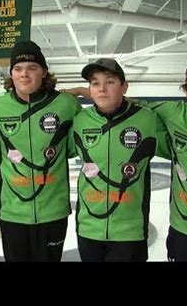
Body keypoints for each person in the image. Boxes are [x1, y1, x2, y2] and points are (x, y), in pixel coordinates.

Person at [65, 59, 187, 262]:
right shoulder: (172, 113)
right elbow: (123, 101)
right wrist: (84, 91)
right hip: (182, 233)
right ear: (186, 90)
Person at [0, 40, 82, 261]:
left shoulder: (66, 105)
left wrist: (82, 90)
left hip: (53, 212)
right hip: (12, 212)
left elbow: (72, 148)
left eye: (32, 68)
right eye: (17, 69)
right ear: (11, 74)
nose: (24, 75)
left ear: (44, 72)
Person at [71, 58, 169, 261]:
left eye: (110, 82)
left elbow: (178, 150)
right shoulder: (80, 121)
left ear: (124, 87)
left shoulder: (148, 119)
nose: (102, 89)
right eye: (95, 83)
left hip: (130, 231)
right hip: (89, 228)